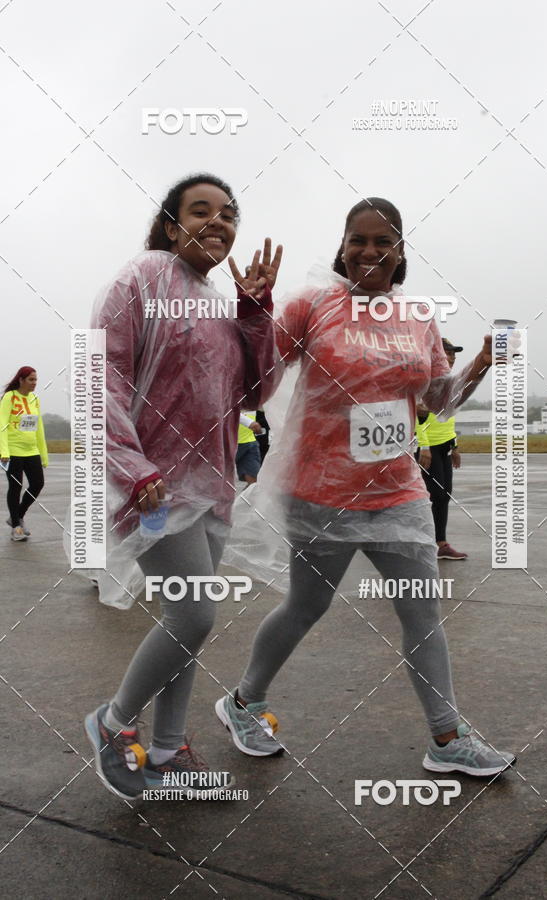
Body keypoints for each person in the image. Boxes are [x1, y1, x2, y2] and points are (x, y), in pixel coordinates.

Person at [215, 197, 515, 777]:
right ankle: (244, 701)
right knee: (307, 605)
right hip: (322, 490)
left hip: (398, 492)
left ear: (400, 252)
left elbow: (436, 401)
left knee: (422, 612)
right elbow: (254, 386)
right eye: (359, 240)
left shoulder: (417, 316)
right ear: (343, 246)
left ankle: (446, 738)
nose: (369, 252)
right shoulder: (312, 305)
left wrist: (480, 363)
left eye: (383, 242)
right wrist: (254, 313)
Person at [84, 173, 282, 800]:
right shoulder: (140, 278)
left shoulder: (224, 303)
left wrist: (256, 314)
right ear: (171, 224)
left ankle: (168, 751)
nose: (219, 224)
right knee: (195, 613)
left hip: (211, 486)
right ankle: (113, 725)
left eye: (229, 216)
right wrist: (132, 467)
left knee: (186, 623)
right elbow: (102, 377)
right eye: (203, 211)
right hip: (152, 485)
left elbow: (257, 393)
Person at [416, 338, 467, 560]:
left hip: (444, 445)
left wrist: (454, 446)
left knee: (444, 494)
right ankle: (431, 541)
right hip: (428, 446)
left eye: (454, 355)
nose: (452, 358)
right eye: (448, 354)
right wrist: (423, 446)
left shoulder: (451, 383)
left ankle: (440, 543)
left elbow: (449, 419)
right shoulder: (425, 381)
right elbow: (417, 417)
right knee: (434, 493)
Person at [0, 366, 48, 542]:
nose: (34, 383)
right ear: (21, 380)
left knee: (38, 484)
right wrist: (4, 451)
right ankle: (16, 528)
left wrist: (43, 454)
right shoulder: (9, 397)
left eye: (36, 380)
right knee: (15, 487)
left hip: (31, 450)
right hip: (12, 451)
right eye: (31, 380)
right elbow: (2, 424)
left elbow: (39, 428)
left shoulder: (34, 399)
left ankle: (17, 516)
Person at [236, 412, 263, 485]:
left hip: (249, 442)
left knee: (254, 484)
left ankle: (246, 497)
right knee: (219, 481)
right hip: (226, 443)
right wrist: (248, 422)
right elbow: (225, 407)